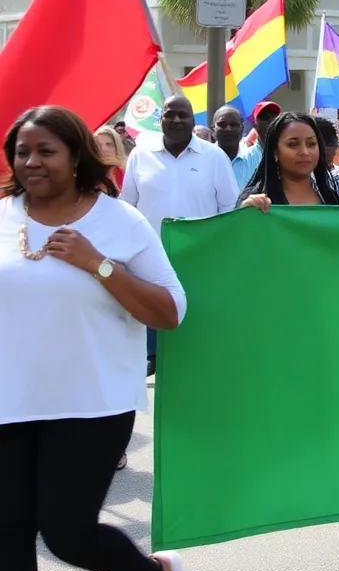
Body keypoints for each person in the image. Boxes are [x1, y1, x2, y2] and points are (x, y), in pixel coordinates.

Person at [0, 106, 189, 571]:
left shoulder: (118, 220)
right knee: (8, 534)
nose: (31, 162)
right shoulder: (1, 215)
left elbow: (170, 311)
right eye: (22, 152)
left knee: (68, 534)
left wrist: (98, 264)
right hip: (8, 404)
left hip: (92, 404)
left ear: (76, 155)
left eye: (46, 151)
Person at [120, 95, 239, 376]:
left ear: (192, 120)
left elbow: (228, 208)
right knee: (152, 311)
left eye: (182, 115)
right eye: (169, 114)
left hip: (201, 255)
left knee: (193, 318)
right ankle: (152, 358)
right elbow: (127, 206)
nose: (175, 120)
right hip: (149, 255)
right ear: (160, 119)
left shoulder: (214, 157)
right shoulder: (141, 154)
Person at [238, 113, 339, 210]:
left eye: (311, 144)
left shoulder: (331, 199)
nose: (305, 152)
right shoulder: (257, 201)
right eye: (293, 144)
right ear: (275, 152)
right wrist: (243, 213)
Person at [212, 106, 261, 191]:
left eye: (233, 125)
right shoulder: (201, 161)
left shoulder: (254, 159)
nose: (228, 129)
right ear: (213, 129)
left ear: (242, 129)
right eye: (222, 125)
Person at [94, 125, 128, 191]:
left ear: (117, 147)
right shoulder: (86, 173)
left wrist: (120, 166)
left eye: (109, 144)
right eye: (98, 145)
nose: (104, 149)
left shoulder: (128, 168)